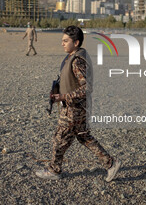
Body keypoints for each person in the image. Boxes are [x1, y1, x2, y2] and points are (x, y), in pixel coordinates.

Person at [35, 26, 121, 181]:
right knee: (83, 137)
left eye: (66, 41)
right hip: (77, 108)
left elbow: (87, 87)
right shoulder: (72, 56)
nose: (62, 43)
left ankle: (54, 170)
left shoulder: (77, 61)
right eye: (62, 40)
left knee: (60, 139)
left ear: (76, 42)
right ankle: (111, 163)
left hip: (74, 109)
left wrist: (64, 96)